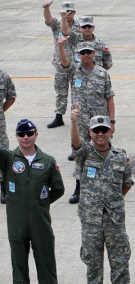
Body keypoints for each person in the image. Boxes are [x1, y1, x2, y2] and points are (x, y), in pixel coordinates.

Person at [70, 106, 133, 284]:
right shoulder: (85, 154)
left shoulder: (120, 156)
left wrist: (111, 201)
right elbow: (76, 142)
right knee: (93, 267)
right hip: (91, 221)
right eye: (96, 130)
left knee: (120, 264)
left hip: (114, 221)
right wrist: (74, 121)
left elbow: (126, 185)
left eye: (104, 130)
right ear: (90, 132)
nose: (100, 134)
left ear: (109, 131)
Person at [1, 119, 64, 283]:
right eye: (21, 134)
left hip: (40, 223)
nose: (26, 137)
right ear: (16, 136)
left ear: (36, 134)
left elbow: (59, 189)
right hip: (17, 223)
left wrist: (41, 203)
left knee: (46, 267)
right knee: (19, 269)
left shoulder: (48, 161)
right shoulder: (8, 158)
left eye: (29, 133)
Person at [58, 36, 115, 203]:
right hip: (81, 122)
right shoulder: (73, 71)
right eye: (82, 53)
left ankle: (107, 186)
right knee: (79, 153)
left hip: (100, 122)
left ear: (94, 53)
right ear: (78, 55)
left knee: (105, 152)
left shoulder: (102, 74)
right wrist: (61, 47)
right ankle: (79, 187)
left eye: (88, 52)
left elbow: (109, 97)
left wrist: (112, 121)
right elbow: (64, 62)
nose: (85, 55)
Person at [43, 0, 77, 129]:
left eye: (69, 12)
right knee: (60, 91)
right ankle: (59, 117)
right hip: (60, 66)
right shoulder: (57, 24)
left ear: (74, 13)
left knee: (77, 91)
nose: (67, 14)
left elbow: (67, 32)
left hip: (75, 66)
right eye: (64, 12)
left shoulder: (80, 26)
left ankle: (77, 116)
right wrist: (46, 8)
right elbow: (49, 19)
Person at [0, 65, 17, 204]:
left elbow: (11, 97)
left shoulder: (3, 76)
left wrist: (0, 111)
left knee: (2, 152)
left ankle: (3, 186)